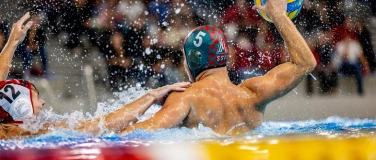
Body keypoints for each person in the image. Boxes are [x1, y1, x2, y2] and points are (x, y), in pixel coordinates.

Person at [121, 0, 316, 136]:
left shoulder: (185, 97)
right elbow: (305, 64)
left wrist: (150, 97)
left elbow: (130, 136)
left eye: (184, 59)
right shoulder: (252, 95)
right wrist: (279, 16)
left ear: (193, 61)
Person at [0, 12, 190, 139]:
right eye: (37, 98)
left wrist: (13, 42)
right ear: (22, 108)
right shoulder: (38, 132)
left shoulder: (15, 132)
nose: (43, 103)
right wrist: (151, 95)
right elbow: (103, 126)